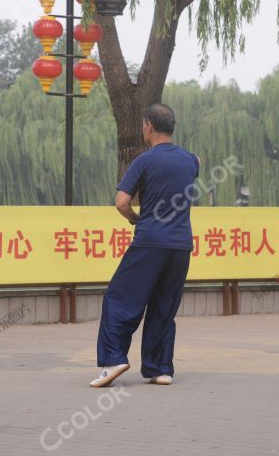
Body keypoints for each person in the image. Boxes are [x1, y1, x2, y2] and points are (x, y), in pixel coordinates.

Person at [91, 103, 199, 388]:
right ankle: (160, 368)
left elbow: (122, 202)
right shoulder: (192, 161)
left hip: (150, 241)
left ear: (148, 126)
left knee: (120, 298)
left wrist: (135, 219)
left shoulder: (144, 161)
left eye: (142, 126)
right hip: (181, 246)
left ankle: (114, 359)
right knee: (164, 306)